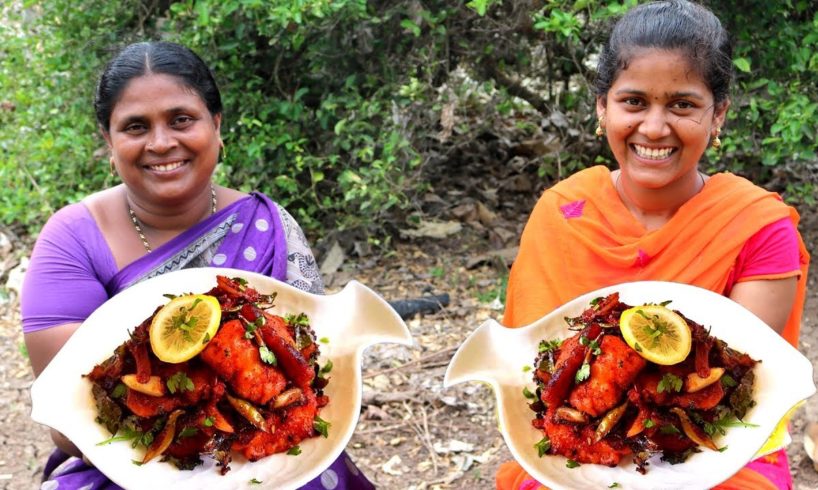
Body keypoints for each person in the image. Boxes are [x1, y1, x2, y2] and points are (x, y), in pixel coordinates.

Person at [21, 41, 374, 489]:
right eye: (135, 126)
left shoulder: (267, 225)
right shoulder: (71, 241)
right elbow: (71, 427)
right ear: (109, 143)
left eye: (181, 119)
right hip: (125, 469)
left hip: (272, 464)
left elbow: (318, 375)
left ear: (217, 126)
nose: (162, 142)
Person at [495, 1, 810, 489]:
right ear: (603, 106)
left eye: (682, 104)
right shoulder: (564, 211)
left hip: (720, 459)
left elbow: (738, 395)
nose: (655, 128)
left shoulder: (757, 227)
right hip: (578, 459)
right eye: (634, 101)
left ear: (718, 114)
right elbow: (536, 379)